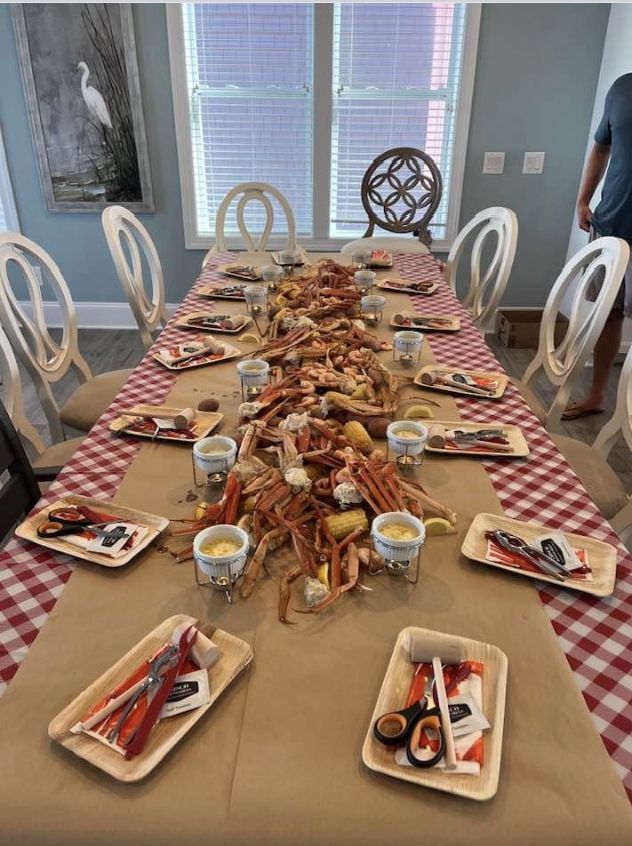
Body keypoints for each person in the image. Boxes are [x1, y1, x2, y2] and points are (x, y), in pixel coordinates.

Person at [567, 73, 632, 420]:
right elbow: (601, 148)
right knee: (610, 314)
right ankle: (597, 394)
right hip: (611, 223)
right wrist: (583, 200)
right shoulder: (621, 88)